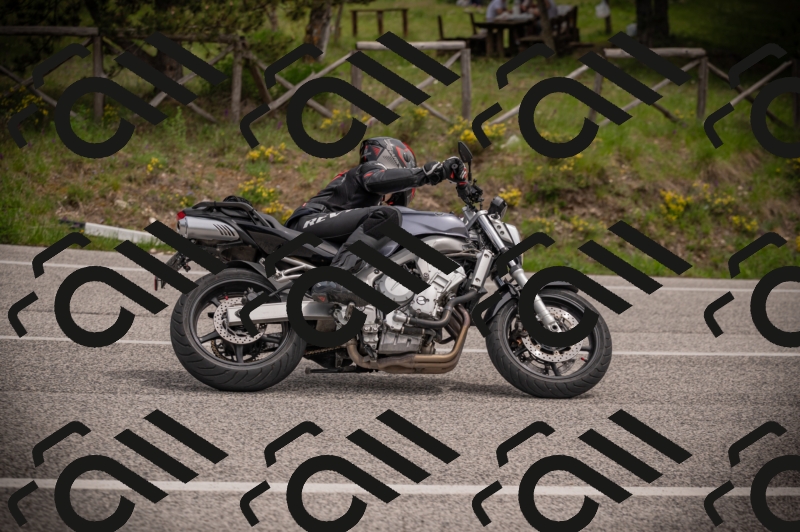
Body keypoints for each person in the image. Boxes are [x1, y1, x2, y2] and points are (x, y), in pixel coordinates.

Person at [285, 137, 467, 305]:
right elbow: (376, 181)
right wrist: (426, 174)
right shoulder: (368, 169)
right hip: (309, 220)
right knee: (387, 215)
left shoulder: (367, 206)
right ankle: (337, 277)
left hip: (320, 227)